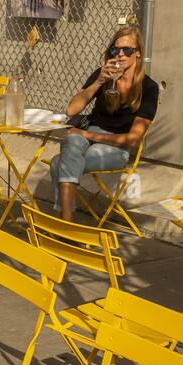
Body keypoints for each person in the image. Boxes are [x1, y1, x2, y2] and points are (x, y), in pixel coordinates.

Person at [50, 24, 158, 222]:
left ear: (138, 54)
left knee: (59, 162)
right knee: (73, 143)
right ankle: (66, 220)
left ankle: (63, 219)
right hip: (88, 136)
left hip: (117, 147)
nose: (121, 55)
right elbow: (71, 110)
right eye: (116, 50)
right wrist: (98, 82)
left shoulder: (148, 88)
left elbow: (132, 139)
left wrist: (85, 134)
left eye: (127, 50)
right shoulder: (103, 75)